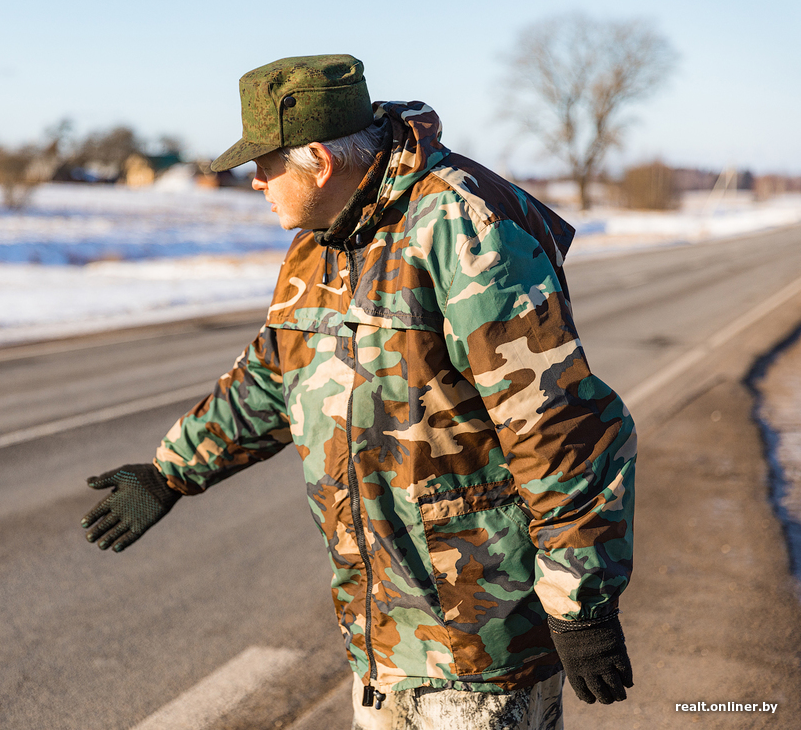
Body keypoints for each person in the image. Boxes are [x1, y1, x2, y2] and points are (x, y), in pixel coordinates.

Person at [81, 54, 636, 730]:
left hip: (479, 653)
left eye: (264, 163)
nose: (254, 182)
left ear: (317, 159)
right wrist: (173, 471)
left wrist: (583, 605)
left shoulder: (462, 227)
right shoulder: (319, 244)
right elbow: (273, 372)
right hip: (379, 644)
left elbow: (557, 427)